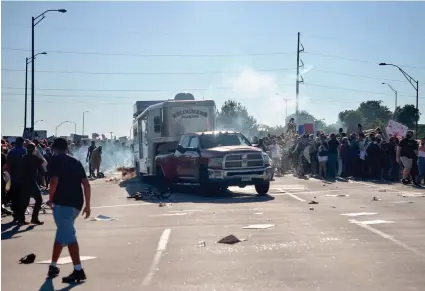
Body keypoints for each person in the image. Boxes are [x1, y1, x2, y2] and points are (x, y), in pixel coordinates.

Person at [47, 137, 91, 282]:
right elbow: (86, 184)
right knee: (61, 234)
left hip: (62, 204)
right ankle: (53, 266)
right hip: (76, 205)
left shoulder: (55, 160)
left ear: (54, 148)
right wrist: (87, 205)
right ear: (67, 148)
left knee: (69, 237)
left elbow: (54, 181)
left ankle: (78, 271)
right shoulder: (76, 161)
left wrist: (50, 198)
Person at [21, 143, 48, 225]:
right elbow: (45, 164)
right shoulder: (35, 157)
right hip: (32, 182)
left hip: (24, 181)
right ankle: (34, 218)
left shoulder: (23, 157)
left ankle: (21, 219)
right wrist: (39, 154)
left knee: (25, 201)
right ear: (34, 150)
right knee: (39, 200)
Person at [6, 137, 27, 224]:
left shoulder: (11, 152)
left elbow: (8, 165)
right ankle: (21, 217)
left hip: (13, 178)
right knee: (23, 198)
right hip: (24, 178)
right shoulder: (25, 151)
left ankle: (15, 216)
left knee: (14, 198)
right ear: (22, 143)